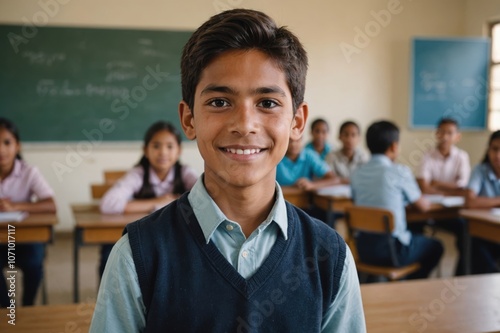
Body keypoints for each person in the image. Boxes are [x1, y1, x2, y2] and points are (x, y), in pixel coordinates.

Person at [90, 9, 365, 332]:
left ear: (297, 122)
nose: (245, 125)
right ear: (189, 119)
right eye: (220, 102)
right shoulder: (137, 257)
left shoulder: (330, 258)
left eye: (267, 103)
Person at [98, 120, 198, 276]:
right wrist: (156, 202)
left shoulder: (185, 173)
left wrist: (170, 203)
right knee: (111, 251)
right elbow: (108, 204)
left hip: (173, 235)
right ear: (145, 150)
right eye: (156, 146)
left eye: (170, 146)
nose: (163, 152)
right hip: (139, 235)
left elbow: (205, 198)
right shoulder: (138, 174)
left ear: (179, 151)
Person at [350, 120, 444, 279]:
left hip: (363, 250)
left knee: (415, 231)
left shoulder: (356, 173)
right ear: (394, 146)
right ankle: (411, 284)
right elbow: (422, 206)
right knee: (436, 246)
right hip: (393, 254)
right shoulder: (399, 171)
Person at [0, 117, 56, 306]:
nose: (1, 149)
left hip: (24, 237)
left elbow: (50, 205)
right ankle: (7, 309)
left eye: (7, 142)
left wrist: (16, 206)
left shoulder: (29, 171)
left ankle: (27, 306)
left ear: (18, 146)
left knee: (34, 261)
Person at [465, 130, 500, 274]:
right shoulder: (480, 170)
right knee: (477, 247)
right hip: (484, 231)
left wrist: (487, 202)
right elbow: (470, 202)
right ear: (488, 150)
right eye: (494, 149)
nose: (497, 155)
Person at [417, 117, 470, 195]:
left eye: (449, 133)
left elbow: (463, 186)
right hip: (431, 202)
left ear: (458, 137)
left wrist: (436, 184)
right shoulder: (427, 155)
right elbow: (424, 186)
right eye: (441, 132)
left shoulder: (462, 156)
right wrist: (450, 191)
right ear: (436, 134)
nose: (445, 137)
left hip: (455, 202)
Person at [277, 137, 343, 191]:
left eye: (298, 140)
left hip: (305, 201)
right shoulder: (276, 156)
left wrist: (312, 185)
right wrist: (292, 188)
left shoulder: (309, 155)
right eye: (290, 141)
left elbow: (334, 179)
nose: (294, 144)